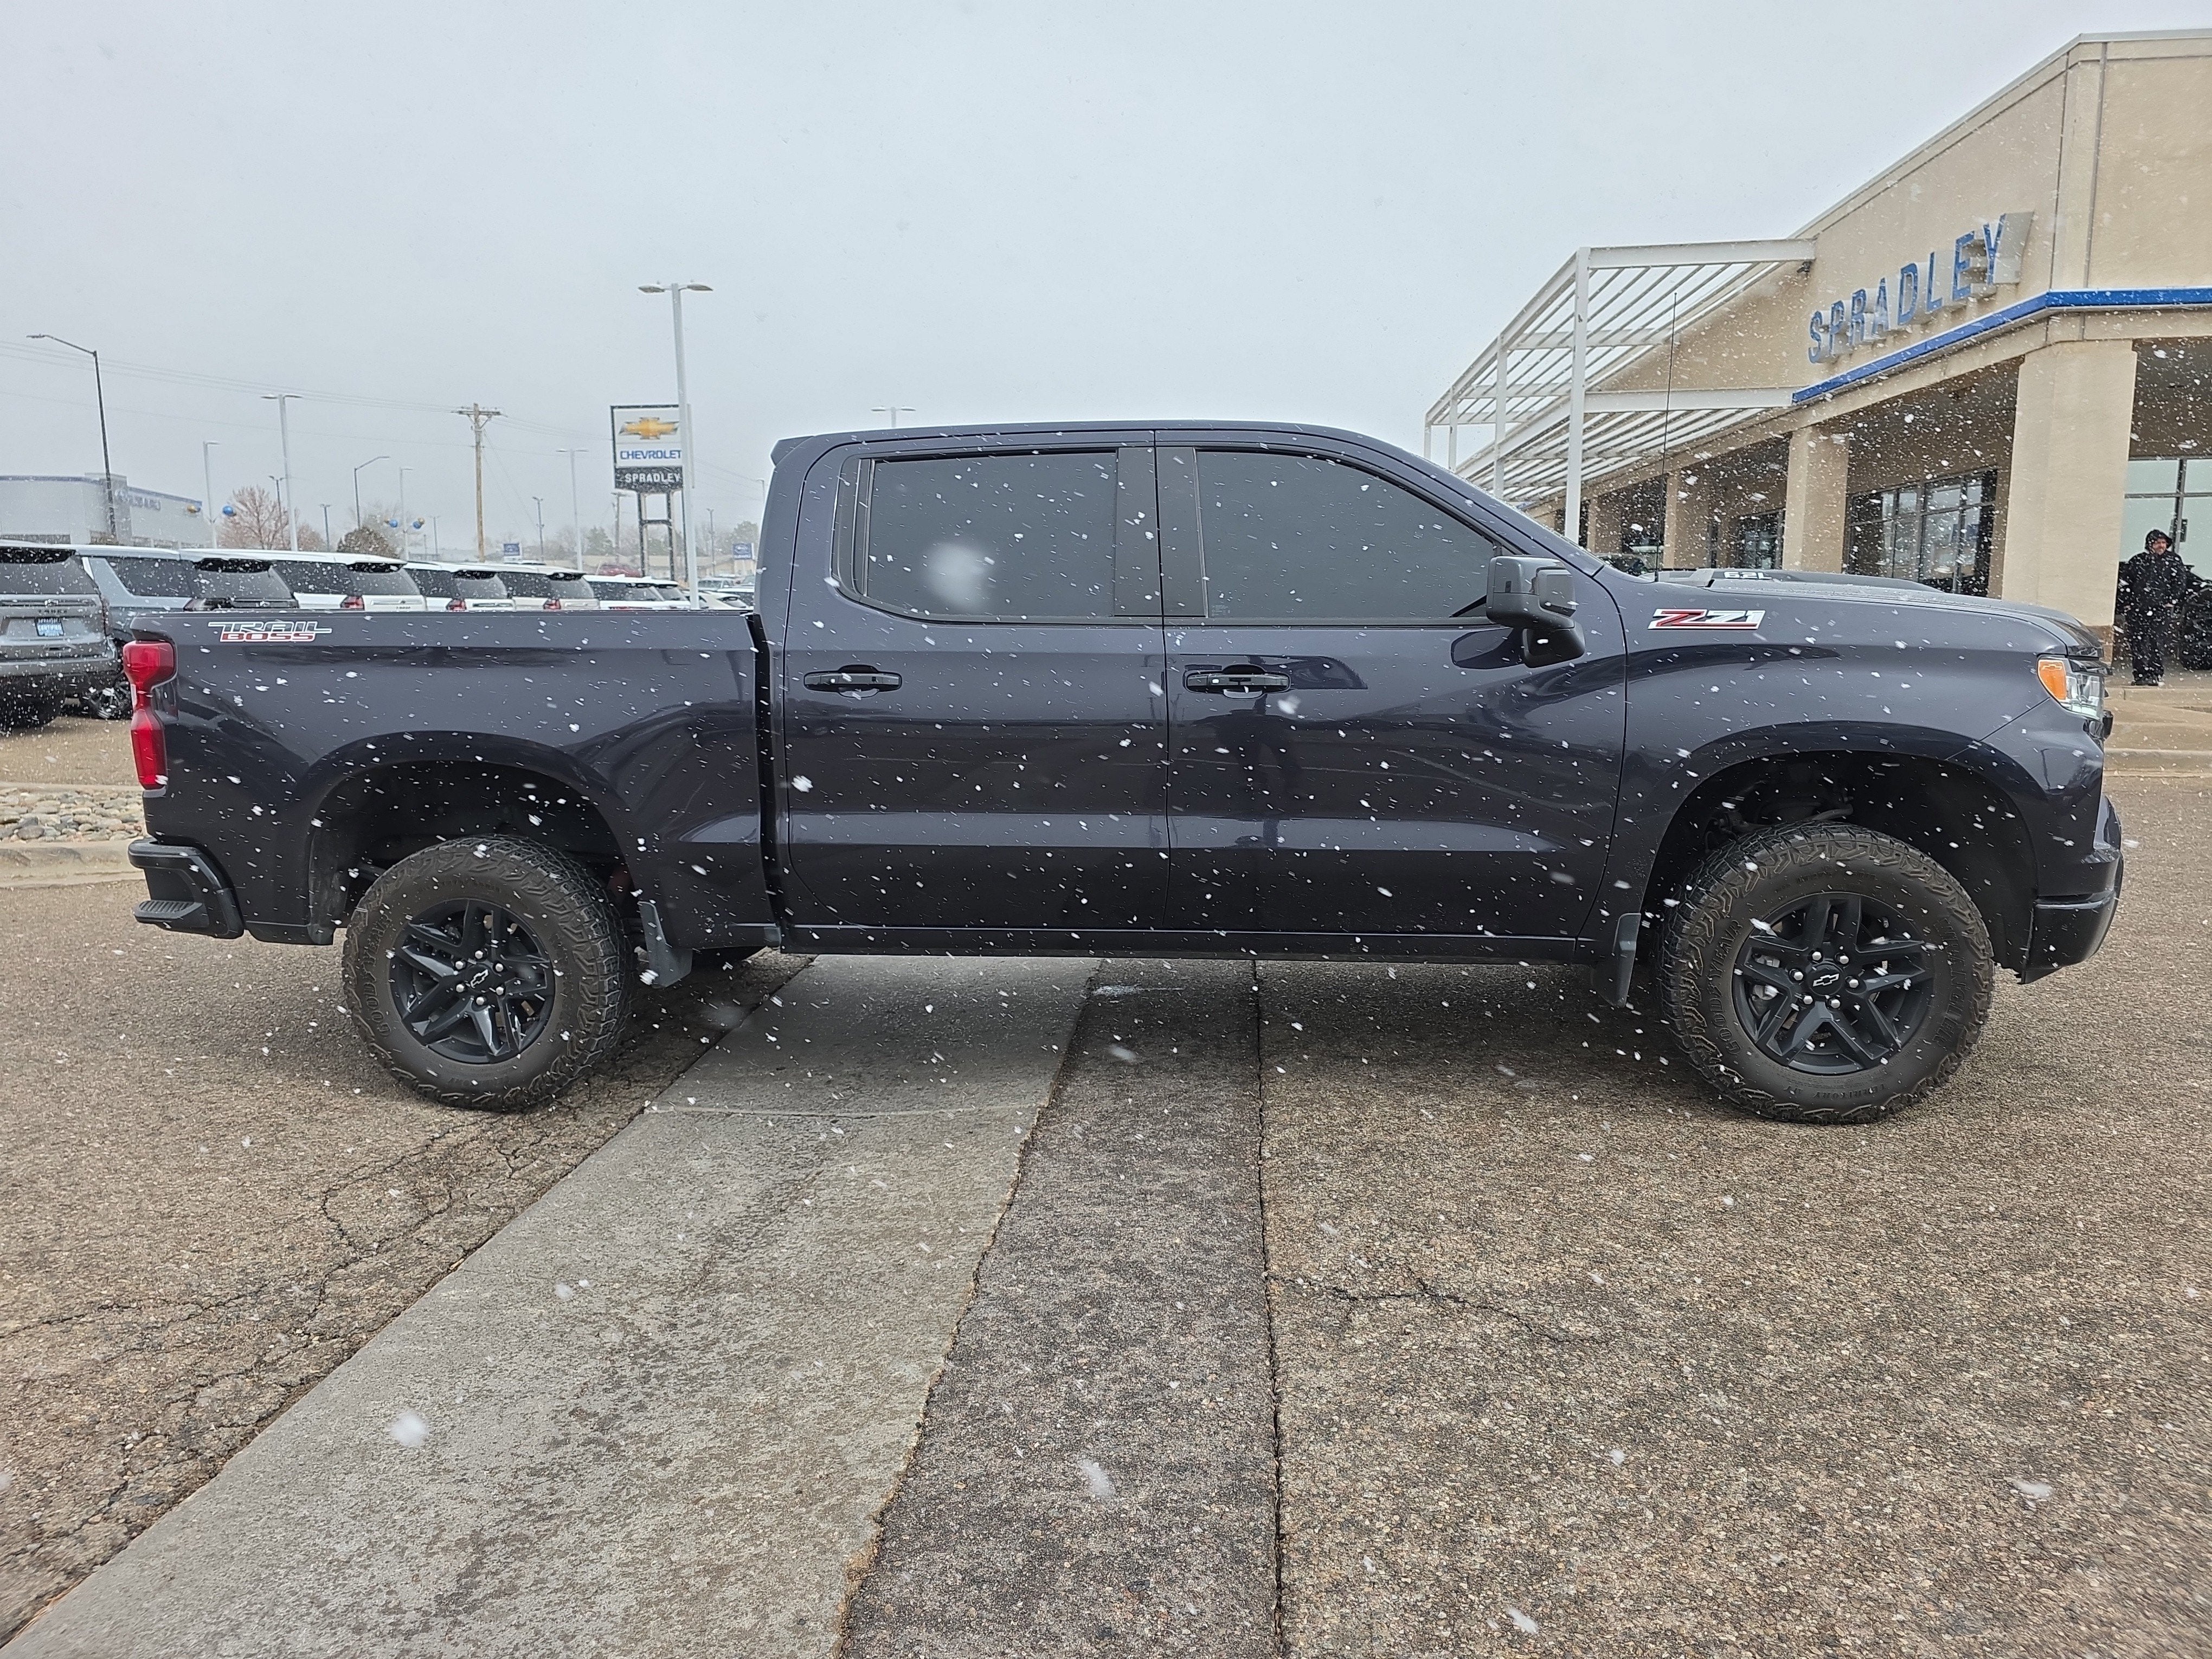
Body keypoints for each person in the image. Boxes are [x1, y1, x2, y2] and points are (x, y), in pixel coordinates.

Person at [2117, 528, 2201, 685]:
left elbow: (2180, 583)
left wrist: (2171, 601)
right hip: (2138, 610)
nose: (2161, 546)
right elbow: (2126, 583)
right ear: (2150, 544)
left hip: (2161, 610)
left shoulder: (2173, 561)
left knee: (2157, 642)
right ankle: (2141, 675)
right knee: (2139, 643)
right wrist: (2127, 605)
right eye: (2157, 543)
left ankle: (2155, 674)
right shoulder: (2138, 561)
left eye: (2163, 543)